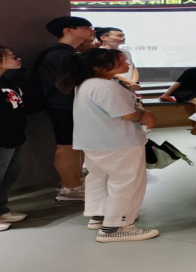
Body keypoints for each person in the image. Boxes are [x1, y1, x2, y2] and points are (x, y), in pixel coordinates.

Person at [61, 48, 159, 243]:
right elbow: (127, 114)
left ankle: (100, 215)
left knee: (99, 178)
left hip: (95, 141)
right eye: (121, 61)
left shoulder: (86, 84)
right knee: (126, 182)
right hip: (118, 142)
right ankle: (116, 226)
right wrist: (144, 114)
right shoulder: (106, 86)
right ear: (100, 68)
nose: (127, 64)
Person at [40, 16, 95, 203]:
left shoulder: (67, 52)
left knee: (75, 144)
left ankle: (75, 183)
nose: (92, 30)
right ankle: (71, 188)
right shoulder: (60, 54)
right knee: (67, 145)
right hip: (63, 105)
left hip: (68, 103)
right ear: (68, 30)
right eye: (87, 27)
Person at [0, 46, 28, 232]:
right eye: (11, 56)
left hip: (14, 135)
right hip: (2, 137)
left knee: (9, 174)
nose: (17, 59)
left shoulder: (7, 80)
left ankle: (2, 209)